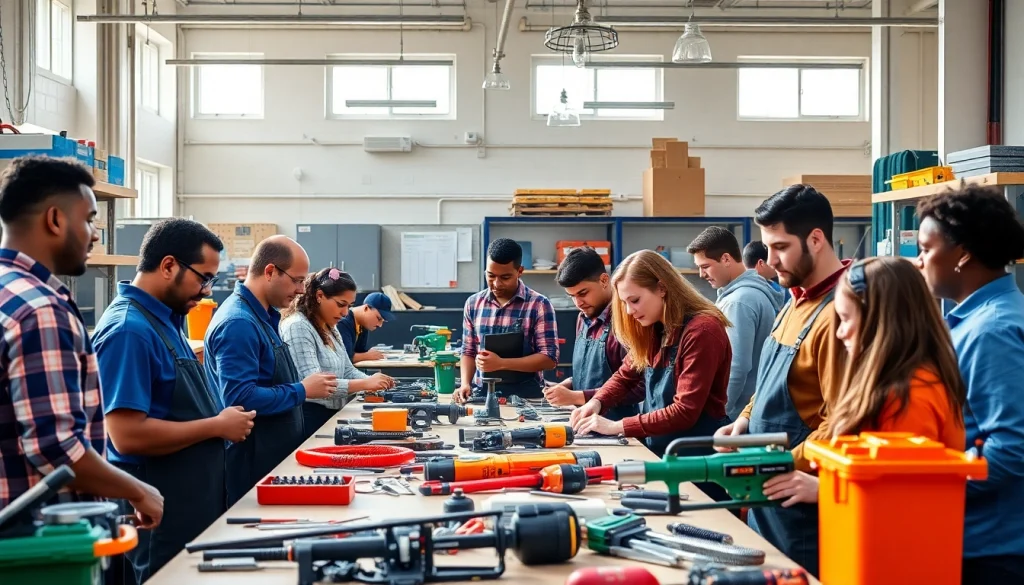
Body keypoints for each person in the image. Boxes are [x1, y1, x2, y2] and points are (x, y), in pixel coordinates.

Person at [0, 155, 164, 522]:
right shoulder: (41, 310)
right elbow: (56, 448)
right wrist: (137, 490)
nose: (94, 234)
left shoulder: (9, 292)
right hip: (38, 543)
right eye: (89, 220)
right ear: (56, 219)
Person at [92, 218, 255, 583]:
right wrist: (216, 425)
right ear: (168, 266)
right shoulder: (129, 331)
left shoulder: (166, 319)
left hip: (189, 506)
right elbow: (126, 435)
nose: (206, 290)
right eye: (203, 278)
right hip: (160, 515)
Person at [758, 256, 966, 513]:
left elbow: (904, 491)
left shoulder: (911, 394)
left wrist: (824, 489)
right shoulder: (889, 381)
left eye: (845, 319)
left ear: (880, 321)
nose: (839, 332)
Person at [713, 184, 849, 577]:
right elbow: (770, 378)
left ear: (817, 239)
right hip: (768, 491)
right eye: (766, 247)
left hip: (800, 496)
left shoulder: (841, 314)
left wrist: (781, 464)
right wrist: (744, 420)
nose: (770, 261)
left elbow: (842, 421)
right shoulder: (794, 300)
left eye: (780, 247)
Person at [915, 185, 1024, 585]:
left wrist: (923, 490)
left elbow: (1012, 449)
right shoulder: (974, 321)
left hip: (991, 549)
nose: (920, 260)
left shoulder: (991, 331)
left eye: (926, 249)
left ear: (963, 254)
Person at [204, 236, 338, 506]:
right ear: (270, 272)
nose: (302, 290)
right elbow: (240, 398)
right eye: (297, 280)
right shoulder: (239, 323)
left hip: (271, 457)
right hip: (252, 464)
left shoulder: (263, 317)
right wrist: (302, 390)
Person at [569, 250, 732, 468]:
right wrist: (597, 402)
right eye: (625, 302)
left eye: (634, 300)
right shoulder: (655, 328)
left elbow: (684, 412)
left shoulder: (702, 331)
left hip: (696, 456)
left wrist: (616, 426)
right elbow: (626, 375)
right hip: (661, 449)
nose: (629, 311)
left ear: (662, 288)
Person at [281, 268, 396, 433]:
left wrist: (374, 384)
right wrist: (365, 383)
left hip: (331, 415)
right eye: (341, 304)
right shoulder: (298, 326)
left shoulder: (330, 327)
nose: (345, 313)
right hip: (309, 419)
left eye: (349, 306)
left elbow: (348, 370)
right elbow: (315, 387)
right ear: (319, 296)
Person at [687, 227, 783, 421]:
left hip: (735, 415)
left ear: (726, 259)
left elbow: (736, 367)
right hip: (749, 411)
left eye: (705, 266)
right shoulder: (751, 292)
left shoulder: (738, 302)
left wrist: (719, 416)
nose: (701, 274)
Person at [453, 238, 558, 402]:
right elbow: (468, 350)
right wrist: (465, 383)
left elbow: (549, 359)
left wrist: (501, 363)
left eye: (505, 277)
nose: (497, 283)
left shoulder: (539, 305)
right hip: (482, 393)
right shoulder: (473, 304)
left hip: (526, 395)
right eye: (491, 276)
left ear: (520, 271)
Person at [542, 247, 639, 421]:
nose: (578, 303)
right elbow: (594, 373)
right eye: (571, 296)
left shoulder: (628, 321)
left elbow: (638, 387)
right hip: (584, 423)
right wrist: (570, 384)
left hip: (617, 426)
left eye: (583, 293)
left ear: (603, 280)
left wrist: (576, 397)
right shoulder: (583, 319)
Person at [337, 292, 396, 365]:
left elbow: (361, 351)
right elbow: (343, 358)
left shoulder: (362, 325)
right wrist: (367, 356)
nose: (380, 325)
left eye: (383, 321)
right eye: (378, 318)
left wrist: (368, 353)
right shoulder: (343, 322)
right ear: (366, 308)